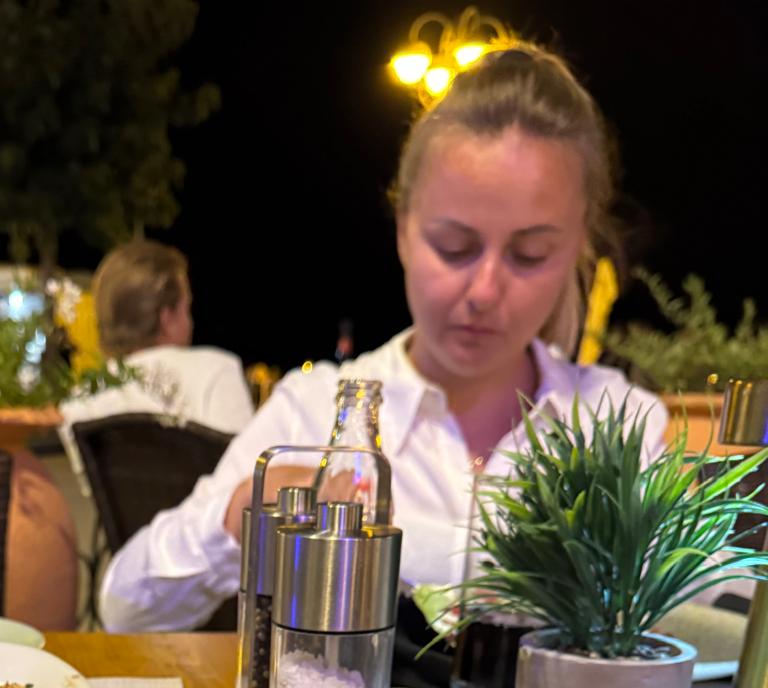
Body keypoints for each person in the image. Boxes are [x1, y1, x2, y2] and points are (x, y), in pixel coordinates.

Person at [98, 47, 666, 634]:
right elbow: (126, 607)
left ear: (577, 250)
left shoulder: (616, 423)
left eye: (530, 255)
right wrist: (239, 512)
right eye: (453, 247)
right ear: (403, 231)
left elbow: (688, 613)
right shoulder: (319, 409)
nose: (484, 290)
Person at [60, 240, 254, 438]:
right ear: (166, 317)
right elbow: (245, 457)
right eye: (186, 308)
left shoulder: (82, 397)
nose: (190, 322)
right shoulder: (215, 372)